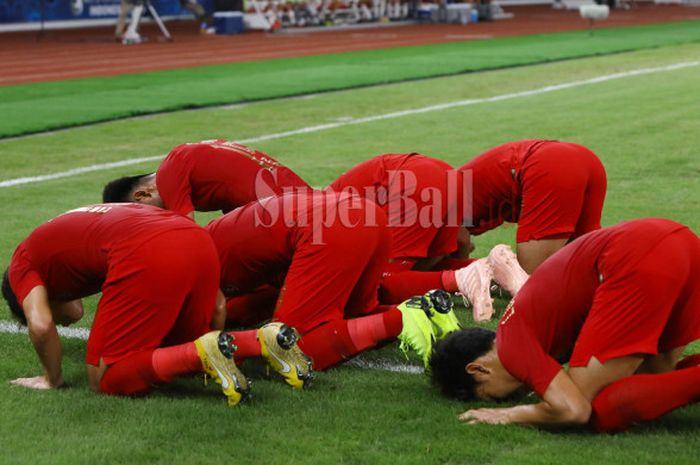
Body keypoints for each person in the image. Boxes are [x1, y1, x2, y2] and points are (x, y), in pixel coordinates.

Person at [2, 203, 309, 405]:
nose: (62, 322)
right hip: (194, 238)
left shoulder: (22, 264)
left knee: (105, 378)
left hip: (146, 248)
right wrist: (207, 338)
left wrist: (51, 379)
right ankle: (262, 340)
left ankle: (201, 353)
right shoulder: (65, 239)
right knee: (173, 351)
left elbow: (40, 325)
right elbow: (218, 307)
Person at [430, 218, 700, 432]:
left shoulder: (511, 345)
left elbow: (574, 409)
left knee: (599, 409)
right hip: (678, 242)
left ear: (478, 369)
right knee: (655, 376)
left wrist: (508, 415)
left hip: (637, 257)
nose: (511, 398)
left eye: (493, 397)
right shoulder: (520, 325)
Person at [207, 190, 483, 369]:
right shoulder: (214, 238)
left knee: (291, 348)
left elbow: (217, 308)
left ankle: (400, 319)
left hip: (329, 226)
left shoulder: (206, 254)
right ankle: (425, 309)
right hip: (367, 214)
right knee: (355, 313)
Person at [327, 152, 528, 321]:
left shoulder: (317, 223)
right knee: (398, 273)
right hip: (442, 174)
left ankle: (464, 278)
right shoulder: (320, 208)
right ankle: (495, 267)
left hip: (412, 183)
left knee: (376, 287)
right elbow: (462, 241)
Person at [457, 139, 607, 274]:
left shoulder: (441, 193)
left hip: (547, 164)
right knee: (585, 267)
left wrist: (459, 274)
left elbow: (460, 240)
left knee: (531, 279)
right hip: (583, 158)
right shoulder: (451, 182)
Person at [102, 139, 311, 219]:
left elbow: (186, 235)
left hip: (286, 213)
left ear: (143, 193)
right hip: (303, 202)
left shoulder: (169, 176)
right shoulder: (184, 157)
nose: (156, 219)